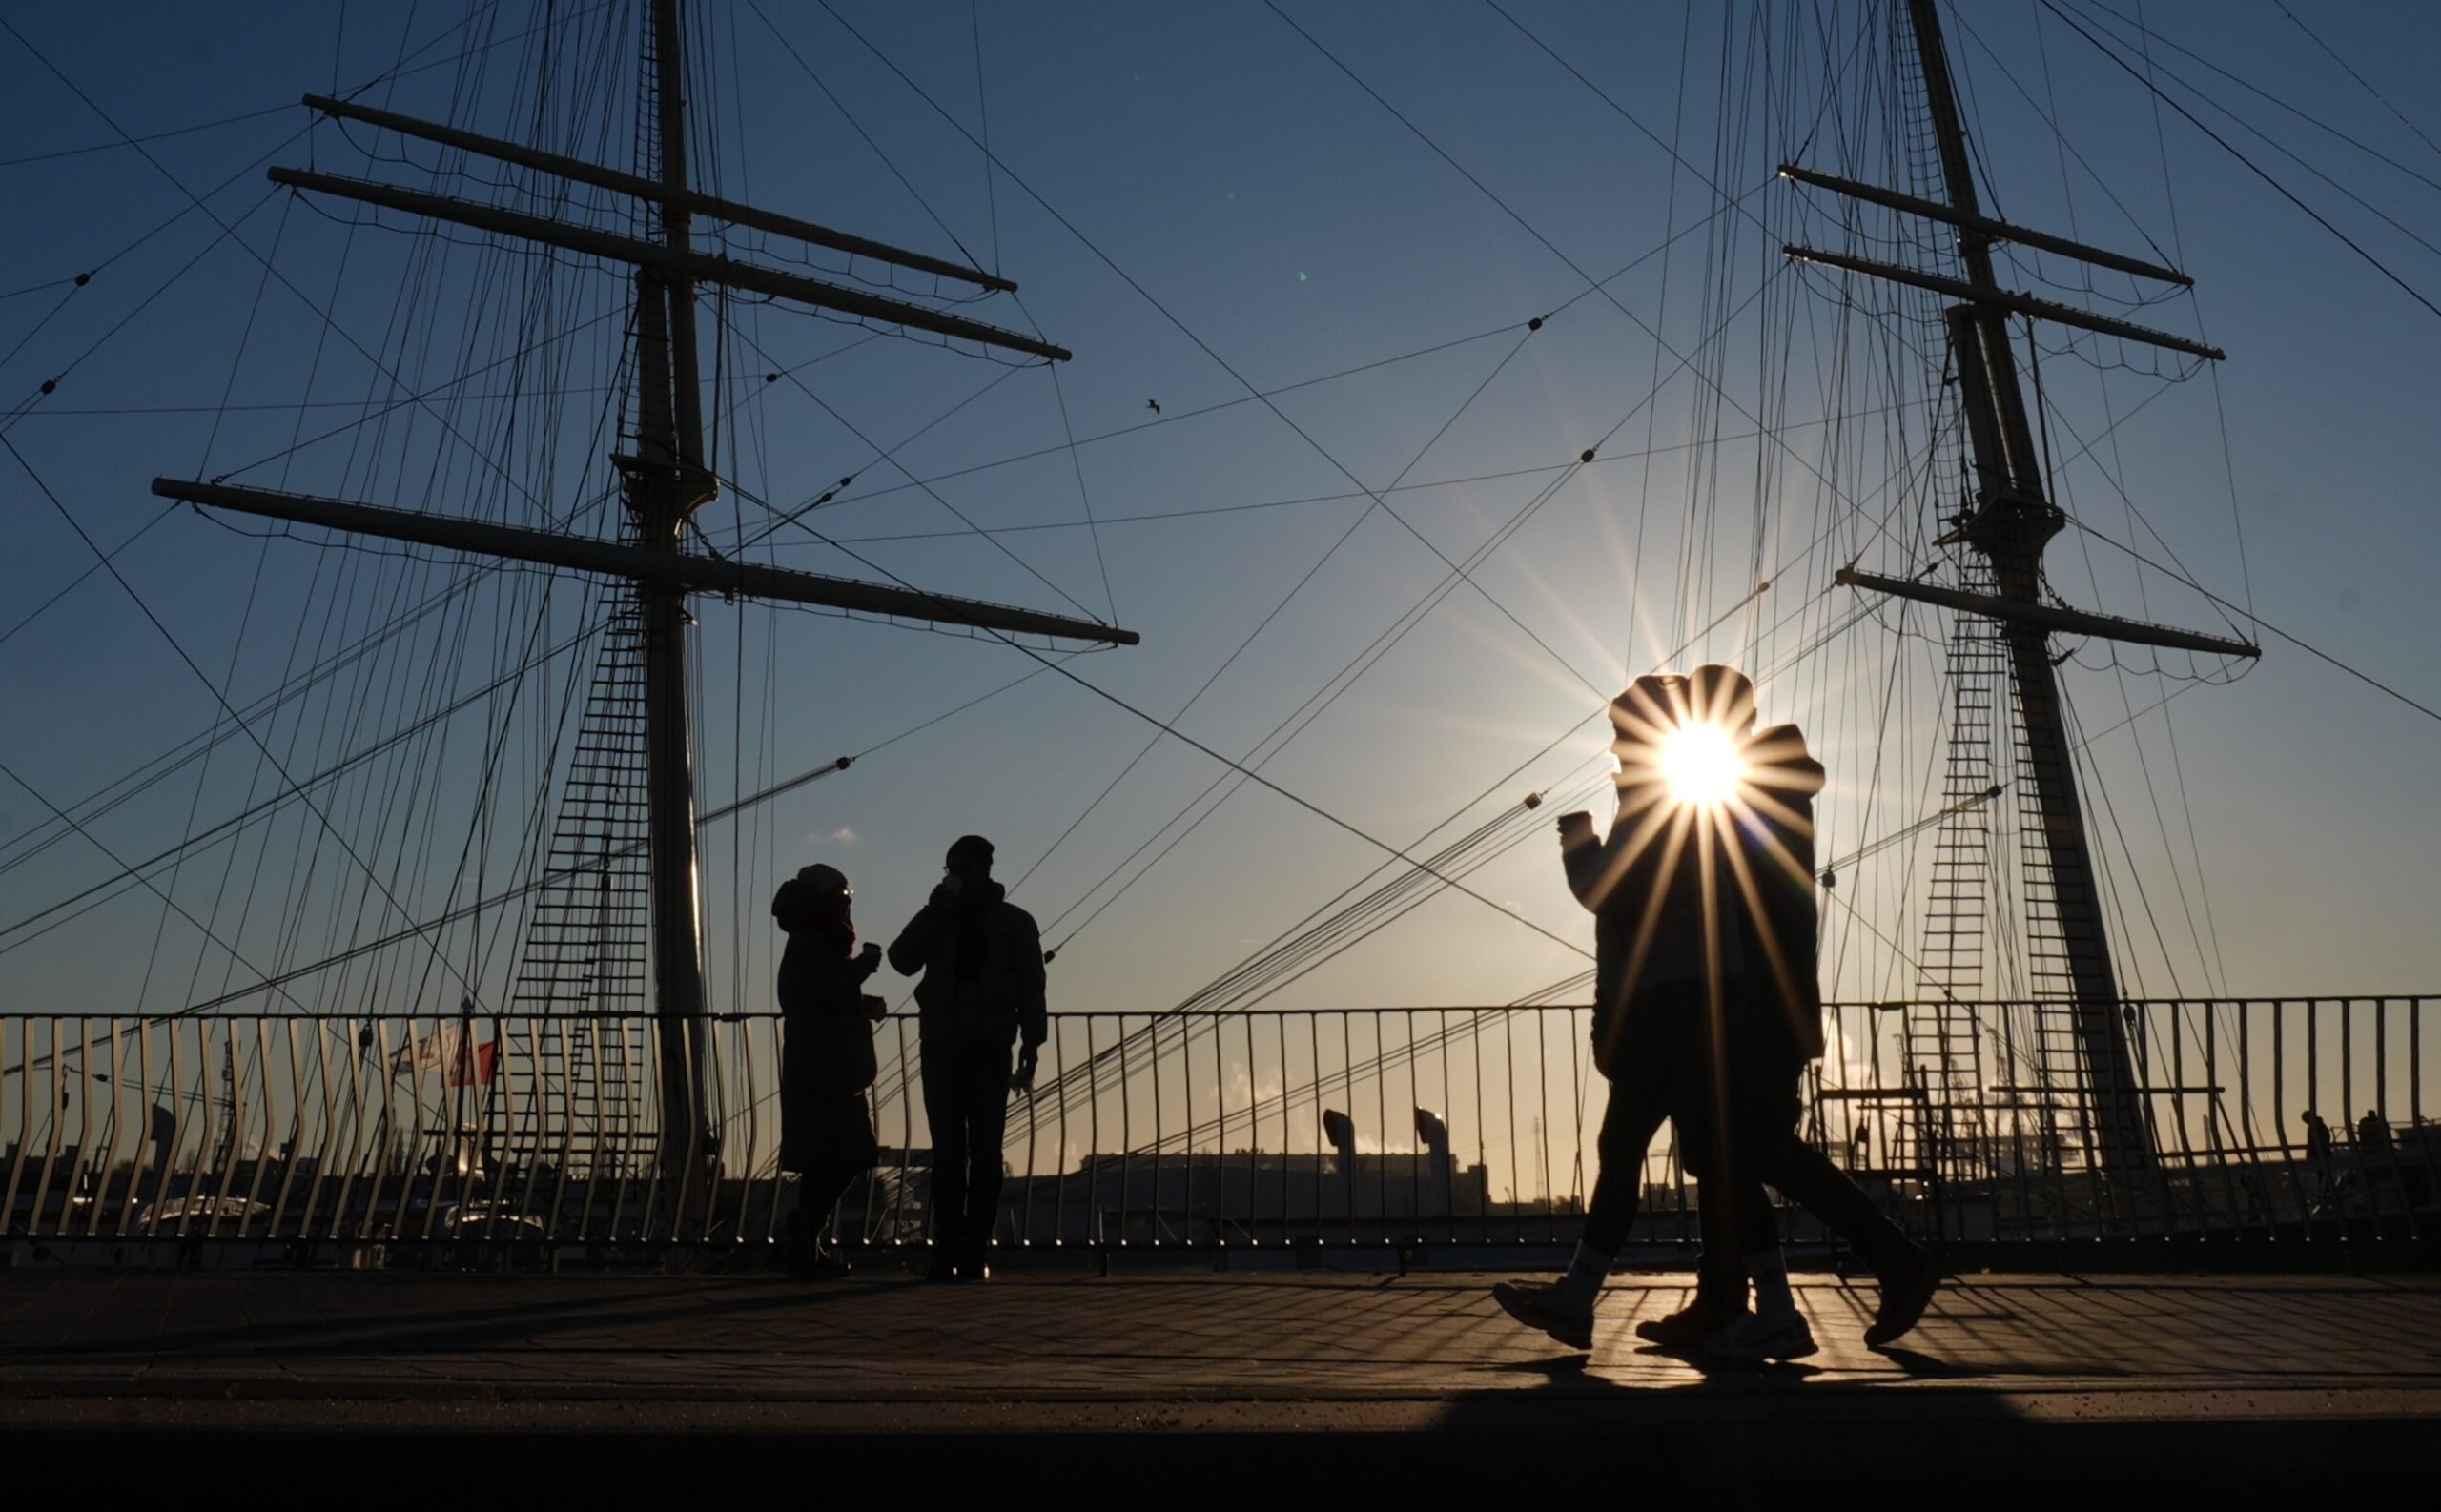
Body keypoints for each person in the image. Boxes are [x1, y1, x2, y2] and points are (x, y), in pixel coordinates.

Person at [1493, 671, 1767, 1352]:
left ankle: (1585, 1299)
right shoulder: (1677, 792)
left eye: (1621, 730)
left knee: (1654, 1154)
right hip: (1683, 1001)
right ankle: (1588, 1298)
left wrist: (1576, 838)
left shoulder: (1653, 800)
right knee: (1692, 1157)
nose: (1614, 745)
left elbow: (1611, 896)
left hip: (1668, 1005)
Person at [1702, 675, 1938, 1359]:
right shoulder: (1751, 780)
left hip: (1759, 1004)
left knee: (1758, 1148)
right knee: (1742, 1150)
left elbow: (1744, 898)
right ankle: (1759, 1303)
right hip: (1761, 1001)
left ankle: (1888, 1260)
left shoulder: (1756, 778)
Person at [890, 834, 1047, 1281]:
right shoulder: (940, 918)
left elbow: (1030, 984)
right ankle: (946, 1247)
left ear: (985, 870)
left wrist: (1032, 1041)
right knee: (947, 1154)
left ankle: (974, 1247)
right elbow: (902, 959)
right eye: (951, 869)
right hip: (940, 1045)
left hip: (989, 1046)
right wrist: (931, 911)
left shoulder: (1014, 923)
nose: (957, 877)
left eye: (965, 869)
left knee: (984, 1153)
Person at [774, 862, 887, 1280]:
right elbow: (822, 994)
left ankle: (807, 1235)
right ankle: (806, 1229)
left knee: (833, 1158)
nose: (845, 909)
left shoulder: (811, 941)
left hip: (827, 1066)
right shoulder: (809, 942)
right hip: (824, 1070)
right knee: (841, 1156)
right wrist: (865, 966)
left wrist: (860, 1001)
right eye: (840, 900)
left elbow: (825, 995)